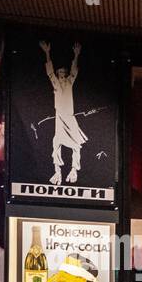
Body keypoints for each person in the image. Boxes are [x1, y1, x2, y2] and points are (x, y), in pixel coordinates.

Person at [40, 40, 85, 184]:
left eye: (63, 73)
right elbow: (50, 72)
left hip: (69, 118)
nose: (62, 75)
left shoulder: (69, 82)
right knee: (56, 143)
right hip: (59, 118)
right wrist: (47, 53)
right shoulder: (56, 84)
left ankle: (73, 171)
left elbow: (74, 71)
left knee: (76, 145)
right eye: (60, 73)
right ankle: (57, 173)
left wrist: (76, 55)